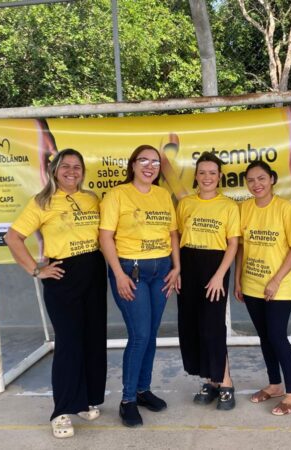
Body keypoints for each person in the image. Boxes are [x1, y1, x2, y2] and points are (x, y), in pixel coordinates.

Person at [4, 148, 106, 439]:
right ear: (54, 170)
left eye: (77, 167)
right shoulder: (42, 201)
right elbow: (13, 237)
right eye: (66, 166)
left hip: (95, 273)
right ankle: (61, 410)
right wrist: (36, 270)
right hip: (64, 277)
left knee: (92, 340)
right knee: (69, 343)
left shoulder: (91, 199)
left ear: (83, 172)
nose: (72, 171)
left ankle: (85, 400)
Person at [99, 144, 181, 428]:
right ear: (132, 164)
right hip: (129, 271)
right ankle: (127, 400)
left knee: (151, 333)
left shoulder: (162, 195)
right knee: (140, 335)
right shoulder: (117, 195)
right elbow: (105, 237)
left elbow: (172, 233)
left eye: (155, 162)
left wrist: (177, 266)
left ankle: (143, 391)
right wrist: (118, 275)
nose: (149, 166)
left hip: (161, 272)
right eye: (143, 160)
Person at [234, 160, 291, 416]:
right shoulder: (244, 209)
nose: (257, 184)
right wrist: (238, 279)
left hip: (279, 286)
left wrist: (275, 280)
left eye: (261, 178)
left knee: (277, 336)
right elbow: (241, 246)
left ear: (272, 179)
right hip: (252, 284)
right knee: (265, 337)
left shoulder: (286, 209)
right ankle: (275, 384)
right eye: (251, 180)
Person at [176, 152, 240, 410]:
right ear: (196, 176)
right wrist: (177, 269)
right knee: (193, 326)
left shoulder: (228, 206)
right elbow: (177, 237)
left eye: (212, 173)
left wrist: (219, 276)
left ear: (220, 177)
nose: (207, 177)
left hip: (215, 267)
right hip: (188, 265)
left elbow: (233, 244)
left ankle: (226, 382)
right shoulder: (186, 204)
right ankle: (210, 381)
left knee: (213, 327)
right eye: (202, 172)